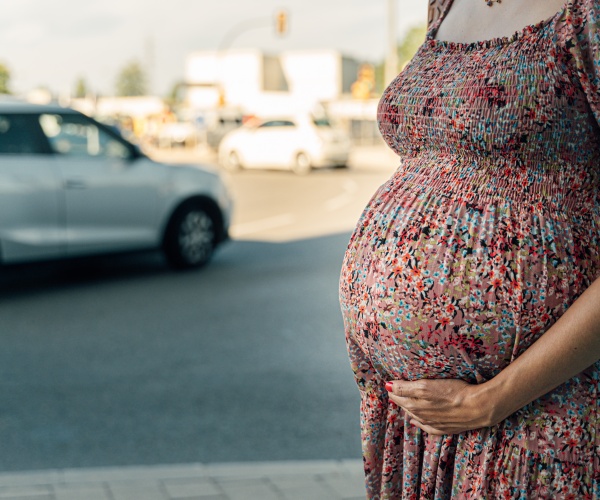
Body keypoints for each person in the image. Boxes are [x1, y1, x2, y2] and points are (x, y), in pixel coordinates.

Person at [338, 0, 600, 497]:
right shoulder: (447, 4)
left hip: (531, 409)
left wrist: (490, 400)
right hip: (416, 422)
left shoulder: (584, 13)